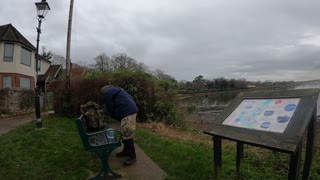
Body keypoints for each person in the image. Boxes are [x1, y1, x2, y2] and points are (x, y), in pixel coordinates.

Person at [100, 85, 138, 166]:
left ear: (103, 91)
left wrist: (112, 114)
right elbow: (131, 97)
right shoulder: (118, 89)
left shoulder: (107, 93)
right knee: (124, 132)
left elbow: (109, 106)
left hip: (128, 113)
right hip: (131, 109)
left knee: (128, 134)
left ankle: (133, 157)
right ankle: (125, 151)